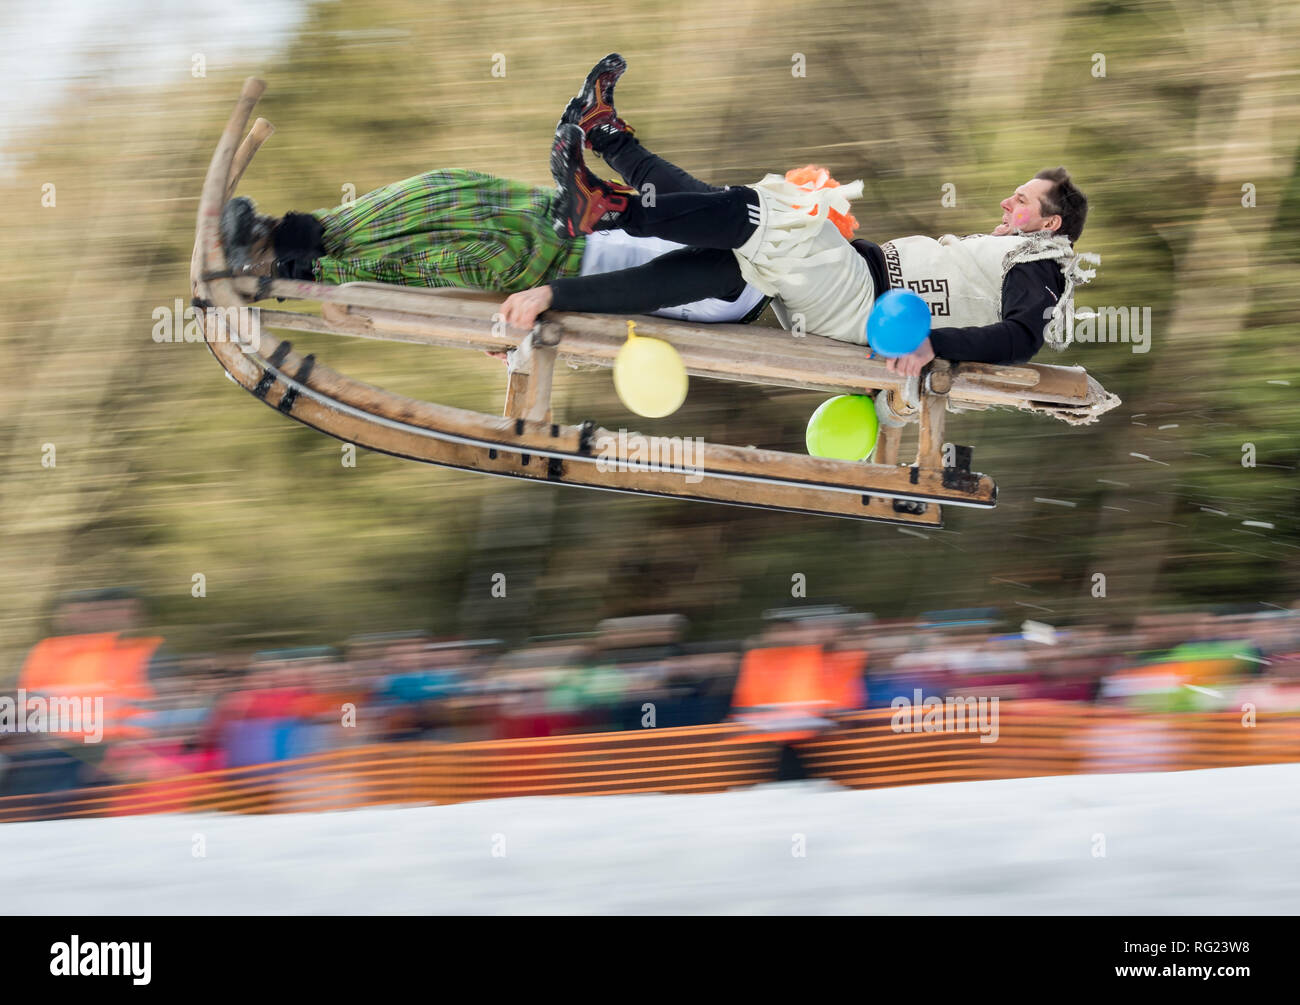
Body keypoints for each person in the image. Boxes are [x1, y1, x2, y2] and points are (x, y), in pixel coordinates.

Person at [501, 54, 1098, 377]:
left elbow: (1023, 339)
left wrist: (927, 345)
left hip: (864, 305)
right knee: (720, 253)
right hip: (856, 281)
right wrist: (553, 294)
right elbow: (665, 281)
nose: (1005, 202)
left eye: (1021, 200)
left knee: (782, 218)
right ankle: (606, 137)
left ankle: (606, 209)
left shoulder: (1044, 263)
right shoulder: (1011, 253)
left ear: (1049, 225)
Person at [217, 78, 768, 326]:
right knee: (442, 188)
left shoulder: (732, 290)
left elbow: (645, 289)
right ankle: (294, 233)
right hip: (569, 219)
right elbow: (690, 200)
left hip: (567, 264)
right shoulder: (762, 247)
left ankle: (290, 265)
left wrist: (547, 296)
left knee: (465, 256)